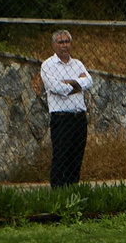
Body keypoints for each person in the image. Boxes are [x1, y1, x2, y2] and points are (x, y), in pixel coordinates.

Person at [37, 30, 94, 187]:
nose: (64, 45)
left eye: (67, 42)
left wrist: (68, 83)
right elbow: (57, 88)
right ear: (54, 45)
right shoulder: (48, 65)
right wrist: (78, 84)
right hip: (61, 119)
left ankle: (72, 191)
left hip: (79, 118)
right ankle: (58, 192)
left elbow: (89, 81)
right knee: (61, 157)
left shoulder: (78, 64)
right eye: (61, 42)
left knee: (76, 158)